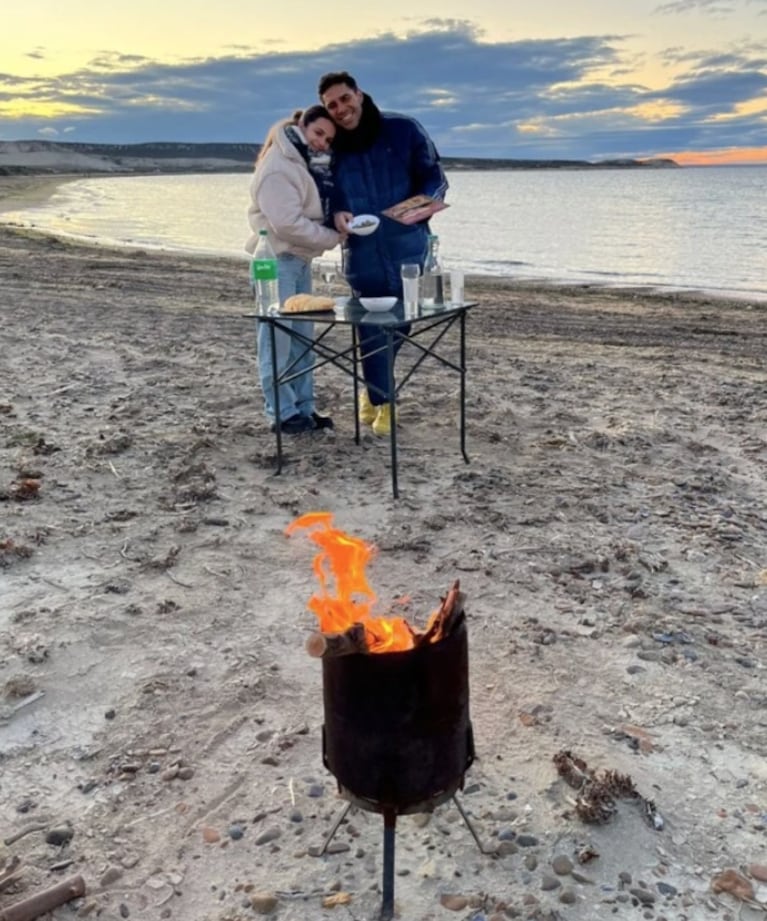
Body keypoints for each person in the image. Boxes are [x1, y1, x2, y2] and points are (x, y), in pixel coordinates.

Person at [318, 71, 448, 437]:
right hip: (360, 251)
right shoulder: (331, 146)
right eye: (332, 105)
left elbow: (434, 176)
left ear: (358, 93)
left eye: (345, 99)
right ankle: (383, 402)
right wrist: (336, 214)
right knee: (372, 326)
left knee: (402, 320)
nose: (341, 109)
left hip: (409, 244)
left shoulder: (403, 128)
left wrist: (418, 209)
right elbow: (324, 193)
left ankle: (372, 391)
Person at [246, 106, 342, 434]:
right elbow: (287, 224)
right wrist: (333, 236)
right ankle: (282, 413)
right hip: (274, 264)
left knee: (303, 342)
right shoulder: (278, 166)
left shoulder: (305, 162)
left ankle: (303, 407)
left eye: (329, 139)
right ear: (302, 125)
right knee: (277, 341)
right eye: (318, 134)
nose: (322, 143)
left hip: (299, 261)